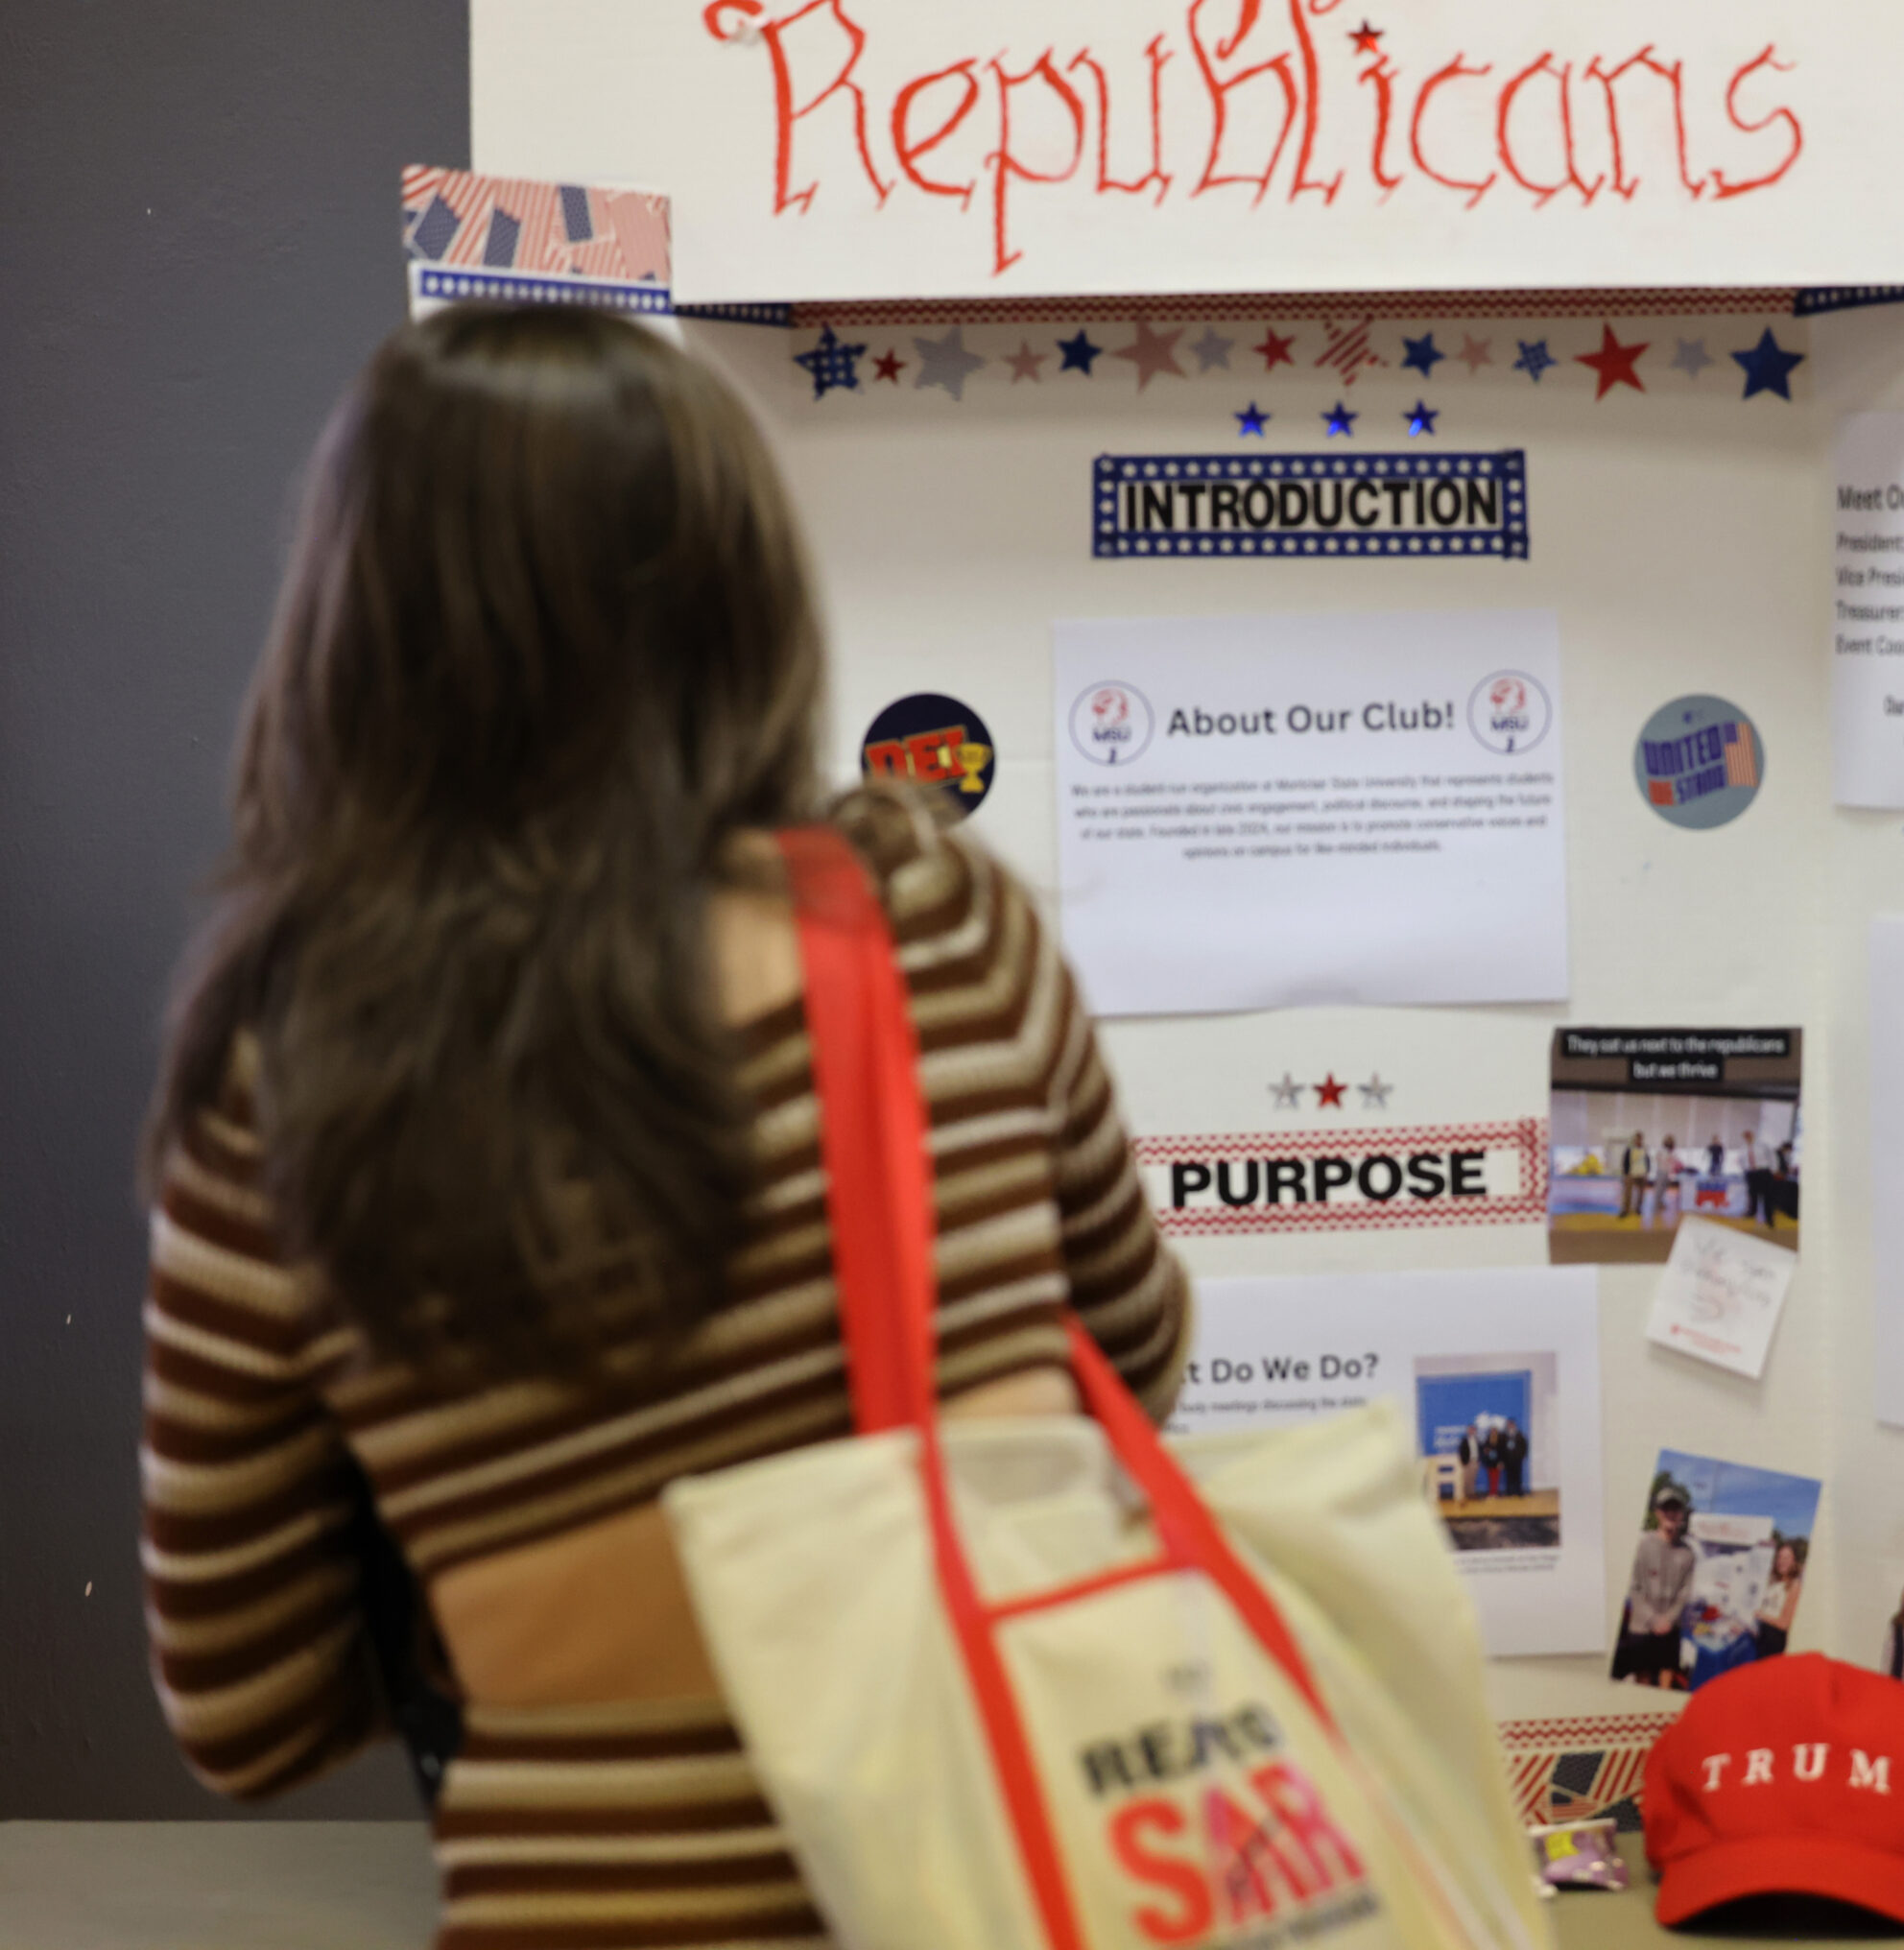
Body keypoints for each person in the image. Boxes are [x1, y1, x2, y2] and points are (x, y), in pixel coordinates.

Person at [135, 307, 1194, 1950]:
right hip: (1012, 1864)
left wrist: (524, 1547)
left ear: (360, 619)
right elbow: (1128, 1356)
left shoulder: (286, 1068)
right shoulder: (936, 919)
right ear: (744, 590)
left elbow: (245, 1709)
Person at [1613, 1487, 1695, 1687]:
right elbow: (1634, 1587)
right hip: (1642, 1626)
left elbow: (1685, 1592)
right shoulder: (1642, 1545)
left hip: (1670, 1627)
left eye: (1676, 1508)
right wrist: (1652, 1619)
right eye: (1666, 1508)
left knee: (1667, 1673)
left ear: (1682, 1514)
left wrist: (1669, 1619)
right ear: (1657, 1513)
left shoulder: (1688, 1553)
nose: (1671, 1514)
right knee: (1643, 1677)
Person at [1753, 1538, 1803, 1658]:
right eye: (1780, 1557)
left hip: (1774, 1642)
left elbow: (1784, 1623)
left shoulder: (1795, 1586)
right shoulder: (1775, 1582)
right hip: (1762, 1636)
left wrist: (1761, 1615)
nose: (1782, 1561)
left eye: (1786, 1558)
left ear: (1793, 1561)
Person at [1741, 1127, 1773, 1228]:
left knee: (1766, 1196)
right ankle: (1752, 1212)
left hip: (1763, 1172)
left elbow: (1772, 1157)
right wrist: (1745, 1170)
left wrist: (1773, 1170)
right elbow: (1742, 1161)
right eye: (1745, 1136)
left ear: (1753, 1135)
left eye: (1749, 1135)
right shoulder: (1743, 1148)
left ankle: (1769, 1217)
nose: (1748, 1138)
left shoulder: (1762, 1145)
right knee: (1752, 1194)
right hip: (1751, 1173)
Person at [1619, 1130, 1647, 1221]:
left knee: (1641, 1193)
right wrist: (1626, 1173)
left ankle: (1638, 1208)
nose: (1638, 1141)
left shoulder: (1644, 1149)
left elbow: (1647, 1161)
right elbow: (1625, 1161)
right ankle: (1625, 1210)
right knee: (1627, 1193)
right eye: (1636, 1139)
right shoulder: (1629, 1149)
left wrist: (1647, 1171)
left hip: (1641, 1174)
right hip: (1631, 1174)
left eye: (1640, 1139)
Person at [1503, 1418, 1529, 1498]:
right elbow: (1501, 1447)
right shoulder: (1504, 1435)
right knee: (1509, 1476)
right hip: (1508, 1459)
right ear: (1507, 1425)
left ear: (1514, 1425)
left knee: (1518, 1476)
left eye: (1512, 1424)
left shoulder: (1519, 1434)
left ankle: (1519, 1492)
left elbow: (1525, 1445)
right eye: (1509, 1424)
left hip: (1517, 1459)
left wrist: (1523, 1455)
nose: (1510, 1426)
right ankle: (1509, 1492)